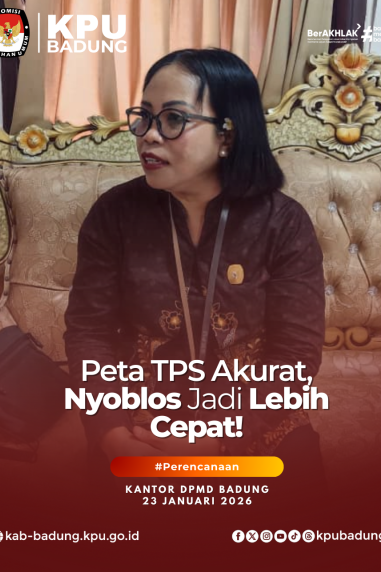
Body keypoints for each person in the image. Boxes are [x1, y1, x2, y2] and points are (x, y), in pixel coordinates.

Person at [64, 48, 326, 487]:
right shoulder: (115, 214)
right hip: (140, 422)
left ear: (227, 136)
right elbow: (89, 333)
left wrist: (218, 443)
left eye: (173, 119)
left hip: (251, 420)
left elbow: (295, 355)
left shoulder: (282, 223)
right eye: (144, 117)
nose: (149, 136)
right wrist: (112, 436)